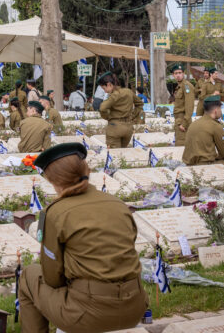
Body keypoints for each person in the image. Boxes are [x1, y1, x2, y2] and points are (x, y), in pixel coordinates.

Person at [21, 142, 148, 333]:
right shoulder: (118, 205)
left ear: (53, 180)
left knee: (29, 276)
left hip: (88, 315)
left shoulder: (55, 213)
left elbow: (52, 278)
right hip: (135, 306)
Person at [182, 96, 224, 166]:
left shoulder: (194, 124)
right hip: (205, 164)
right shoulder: (215, 126)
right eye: (220, 109)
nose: (221, 111)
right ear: (216, 110)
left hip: (189, 164)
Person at [98, 72, 134, 148]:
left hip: (115, 127)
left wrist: (107, 117)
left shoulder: (113, 95)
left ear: (109, 84)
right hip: (128, 127)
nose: (104, 91)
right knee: (122, 153)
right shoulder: (128, 92)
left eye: (104, 88)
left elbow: (102, 108)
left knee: (115, 155)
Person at [171, 64, 196, 146]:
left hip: (183, 120)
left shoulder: (186, 86)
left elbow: (189, 106)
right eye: (176, 73)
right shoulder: (179, 87)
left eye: (180, 73)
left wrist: (184, 123)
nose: (178, 75)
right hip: (179, 120)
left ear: (183, 73)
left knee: (182, 145)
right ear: (173, 75)